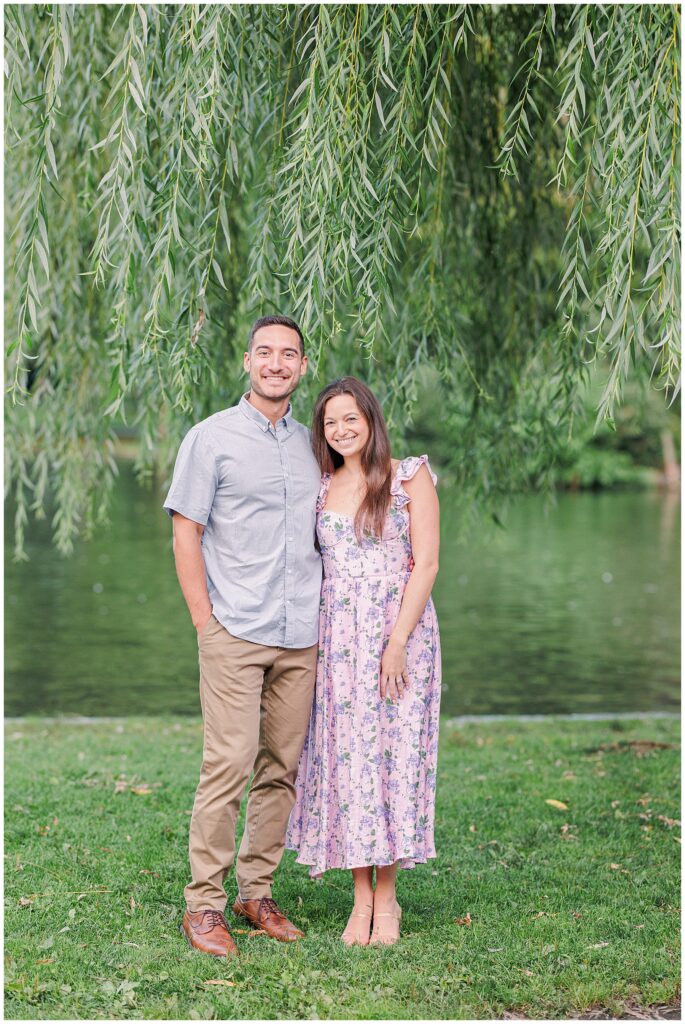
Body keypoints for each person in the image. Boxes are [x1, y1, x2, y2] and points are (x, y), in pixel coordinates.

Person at [163, 315, 322, 958]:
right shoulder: (210, 439)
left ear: (302, 367)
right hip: (233, 628)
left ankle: (256, 893)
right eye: (265, 352)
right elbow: (185, 532)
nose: (276, 363)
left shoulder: (316, 445)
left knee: (281, 769)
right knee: (227, 765)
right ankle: (204, 905)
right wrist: (206, 623)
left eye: (289, 354)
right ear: (247, 361)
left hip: (301, 633)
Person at [286, 376, 441, 947]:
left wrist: (397, 641)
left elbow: (425, 563)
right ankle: (359, 898)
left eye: (351, 418)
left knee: (395, 756)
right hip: (337, 640)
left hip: (400, 635)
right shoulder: (322, 485)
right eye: (330, 422)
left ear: (371, 419)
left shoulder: (407, 476)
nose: (341, 429)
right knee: (349, 763)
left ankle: (389, 896)